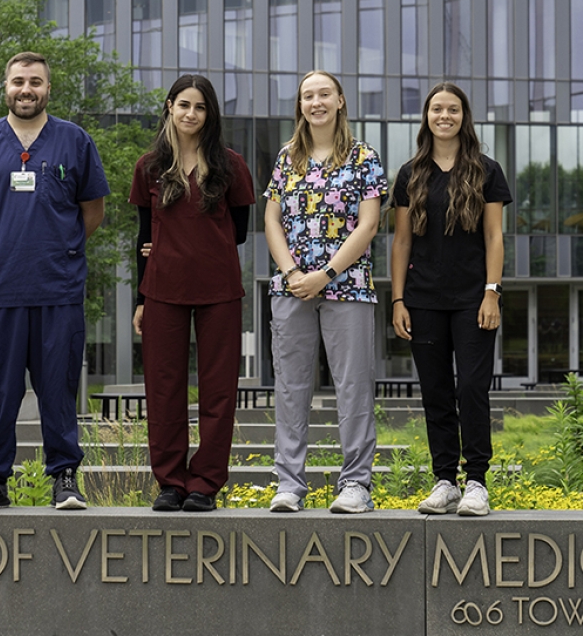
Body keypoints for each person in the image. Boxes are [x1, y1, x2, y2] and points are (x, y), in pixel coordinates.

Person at [0, 51, 108, 510]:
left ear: (48, 89)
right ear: (6, 86)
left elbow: (91, 210)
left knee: (58, 391)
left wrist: (58, 244)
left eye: (35, 82)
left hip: (56, 289)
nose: (26, 89)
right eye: (19, 81)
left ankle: (65, 480)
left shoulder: (74, 141)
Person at [130, 74, 255, 512]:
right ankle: (171, 482)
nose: (191, 113)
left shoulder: (230, 165)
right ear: (169, 107)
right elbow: (142, 237)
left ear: (209, 114)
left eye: (200, 107)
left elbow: (238, 232)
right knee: (163, 388)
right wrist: (141, 301)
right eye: (184, 104)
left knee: (218, 390)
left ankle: (205, 483)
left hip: (219, 289)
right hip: (162, 289)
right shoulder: (149, 166)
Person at [264, 70, 387, 514]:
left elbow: (369, 225)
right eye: (307, 96)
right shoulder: (286, 158)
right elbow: (271, 220)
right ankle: (290, 484)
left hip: (347, 286)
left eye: (324, 94)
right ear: (300, 106)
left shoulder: (363, 157)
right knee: (291, 387)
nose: (315, 102)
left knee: (353, 386)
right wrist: (294, 272)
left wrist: (326, 274)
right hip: (291, 288)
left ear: (340, 101)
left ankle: (356, 484)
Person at [391, 82, 511, 517]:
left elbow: (495, 236)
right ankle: (445, 481)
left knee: (473, 389)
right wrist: (398, 300)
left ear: (464, 116)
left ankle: (476, 481)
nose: (445, 115)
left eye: (453, 109)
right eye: (437, 108)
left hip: (473, 298)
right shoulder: (410, 173)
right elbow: (401, 242)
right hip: (423, 300)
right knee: (436, 393)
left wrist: (491, 292)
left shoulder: (486, 170)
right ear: (426, 116)